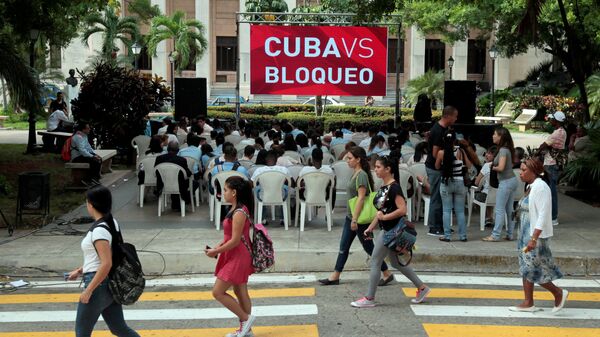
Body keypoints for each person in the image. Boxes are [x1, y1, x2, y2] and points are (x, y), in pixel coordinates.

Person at [350, 155, 431, 307]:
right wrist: (370, 227)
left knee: (375, 261)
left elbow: (402, 210)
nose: (376, 170)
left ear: (388, 169)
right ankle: (422, 287)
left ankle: (369, 298)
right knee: (396, 263)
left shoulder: (394, 188)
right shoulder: (383, 187)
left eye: (379, 167)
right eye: (376, 167)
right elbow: (379, 212)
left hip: (391, 231)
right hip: (387, 230)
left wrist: (385, 218)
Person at [67, 185, 140, 337]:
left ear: (91, 204)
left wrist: (88, 290)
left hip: (98, 284)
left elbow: (106, 263)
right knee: (119, 328)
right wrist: (80, 270)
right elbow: (104, 257)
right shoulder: (112, 222)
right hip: (109, 284)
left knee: (82, 333)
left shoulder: (100, 230)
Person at [319, 147, 394, 286]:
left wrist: (354, 219)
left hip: (359, 219)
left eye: (350, 158)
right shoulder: (356, 173)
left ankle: (386, 272)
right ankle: (335, 275)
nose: (347, 161)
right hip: (352, 217)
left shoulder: (361, 176)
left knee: (369, 247)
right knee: (345, 246)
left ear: (358, 159)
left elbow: (360, 199)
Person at [509, 158, 568, 313]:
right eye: (520, 170)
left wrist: (534, 238)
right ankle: (528, 302)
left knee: (532, 270)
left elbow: (542, 215)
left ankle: (558, 293)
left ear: (534, 171)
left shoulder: (541, 187)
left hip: (534, 236)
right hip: (525, 234)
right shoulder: (531, 186)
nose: (520, 173)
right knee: (526, 267)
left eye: (523, 170)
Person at [205, 176, 257, 337]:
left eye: (225, 190)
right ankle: (246, 329)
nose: (223, 192)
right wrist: (217, 247)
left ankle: (245, 319)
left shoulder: (239, 212)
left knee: (218, 292)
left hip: (238, 256)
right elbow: (230, 237)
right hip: (235, 254)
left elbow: (235, 241)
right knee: (240, 290)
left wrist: (216, 252)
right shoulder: (236, 209)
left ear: (234, 192)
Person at [425, 106, 458, 237]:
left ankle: (441, 225)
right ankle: (434, 227)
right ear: (448, 116)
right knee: (436, 197)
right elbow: (435, 153)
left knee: (441, 197)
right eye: (455, 116)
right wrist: (444, 159)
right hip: (435, 168)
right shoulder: (438, 131)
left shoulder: (443, 129)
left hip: (437, 167)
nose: (456, 119)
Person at [483, 127, 518, 242]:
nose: (493, 136)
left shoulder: (503, 150)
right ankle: (510, 234)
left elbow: (501, 167)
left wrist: (492, 166)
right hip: (512, 180)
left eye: (494, 134)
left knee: (499, 209)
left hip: (506, 182)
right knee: (509, 209)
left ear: (500, 136)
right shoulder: (507, 149)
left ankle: (495, 235)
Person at [436, 130, 470, 242]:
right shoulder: (460, 151)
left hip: (446, 182)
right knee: (460, 211)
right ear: (455, 139)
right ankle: (463, 236)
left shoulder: (441, 153)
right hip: (460, 182)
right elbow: (468, 165)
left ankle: (447, 236)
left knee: (446, 211)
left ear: (444, 139)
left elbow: (436, 166)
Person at [539, 111, 567, 226]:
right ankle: (551, 216)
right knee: (550, 191)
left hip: (551, 164)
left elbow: (543, 146)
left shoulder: (557, 133)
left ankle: (553, 217)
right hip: (553, 163)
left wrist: (535, 155)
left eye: (552, 119)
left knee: (551, 192)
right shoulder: (562, 131)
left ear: (556, 121)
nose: (550, 121)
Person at [155, 141, 194, 210]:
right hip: (179, 185)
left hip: (163, 184)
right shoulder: (182, 160)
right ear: (178, 150)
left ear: (167, 149)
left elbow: (156, 172)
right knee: (192, 183)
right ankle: (182, 201)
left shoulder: (159, 158)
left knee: (176, 180)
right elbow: (187, 173)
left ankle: (176, 203)